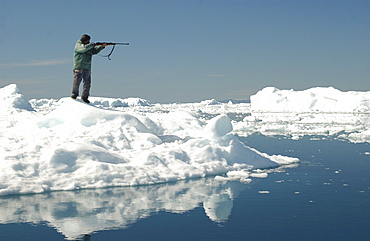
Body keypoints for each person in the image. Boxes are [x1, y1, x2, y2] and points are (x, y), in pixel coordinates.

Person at [71, 34, 107, 103]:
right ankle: (74, 94)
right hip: (79, 67)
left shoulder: (88, 46)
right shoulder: (78, 45)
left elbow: (94, 51)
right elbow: (83, 49)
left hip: (87, 67)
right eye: (88, 41)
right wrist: (93, 44)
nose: (89, 42)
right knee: (76, 82)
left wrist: (102, 46)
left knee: (87, 84)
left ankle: (85, 97)